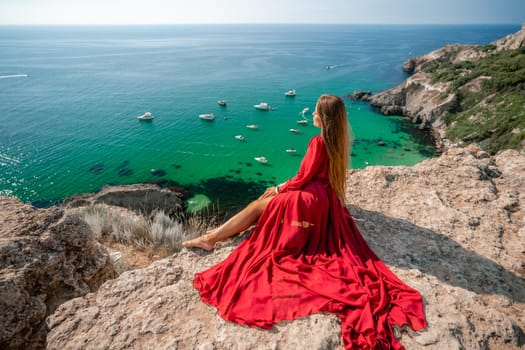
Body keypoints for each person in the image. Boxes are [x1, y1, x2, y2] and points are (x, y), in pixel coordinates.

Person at [183, 94, 427, 349]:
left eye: (314, 112)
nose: (311, 116)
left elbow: (302, 177)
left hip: (308, 200)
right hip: (326, 200)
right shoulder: (341, 140)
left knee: (257, 204)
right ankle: (212, 236)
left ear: (322, 118)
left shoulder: (317, 142)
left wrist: (279, 189)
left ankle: (209, 238)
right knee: (263, 204)